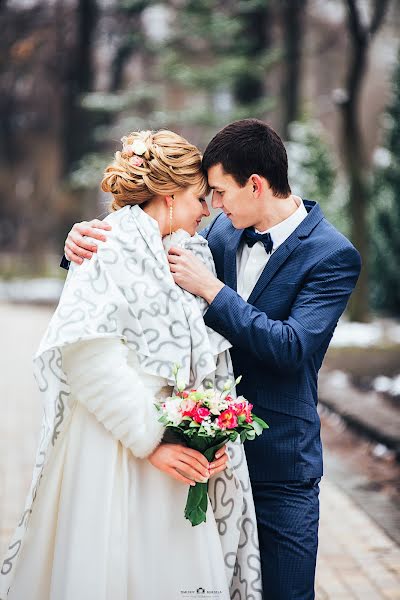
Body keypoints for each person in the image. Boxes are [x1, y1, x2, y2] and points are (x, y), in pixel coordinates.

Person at [63, 119, 362, 600]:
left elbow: (292, 348)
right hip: (206, 463)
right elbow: (138, 247)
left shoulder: (332, 255)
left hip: (279, 468)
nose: (212, 206)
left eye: (220, 192)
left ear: (256, 185)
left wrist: (213, 290)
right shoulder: (218, 232)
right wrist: (79, 243)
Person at [0, 130, 263, 600]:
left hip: (181, 450)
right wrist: (152, 441)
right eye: (200, 198)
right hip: (118, 446)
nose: (207, 211)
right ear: (169, 194)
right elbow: (87, 355)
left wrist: (211, 434)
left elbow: (203, 354)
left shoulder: (190, 253)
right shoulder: (107, 244)